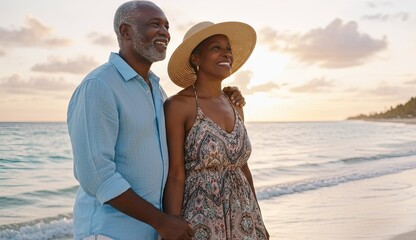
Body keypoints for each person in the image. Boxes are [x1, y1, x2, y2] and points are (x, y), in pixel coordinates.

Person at [67, 2, 245, 239]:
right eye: (155, 24)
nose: (165, 32)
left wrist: (220, 98)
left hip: (150, 231)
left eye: (167, 26)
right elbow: (97, 177)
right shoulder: (99, 86)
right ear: (125, 32)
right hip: (109, 232)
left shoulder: (155, 91)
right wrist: (161, 221)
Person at [163, 21, 269, 239]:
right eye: (216, 48)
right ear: (196, 58)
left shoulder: (235, 103)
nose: (226, 54)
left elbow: (243, 168)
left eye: (228, 49)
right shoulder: (178, 106)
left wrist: (260, 221)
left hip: (246, 221)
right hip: (201, 222)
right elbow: (175, 174)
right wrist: (171, 227)